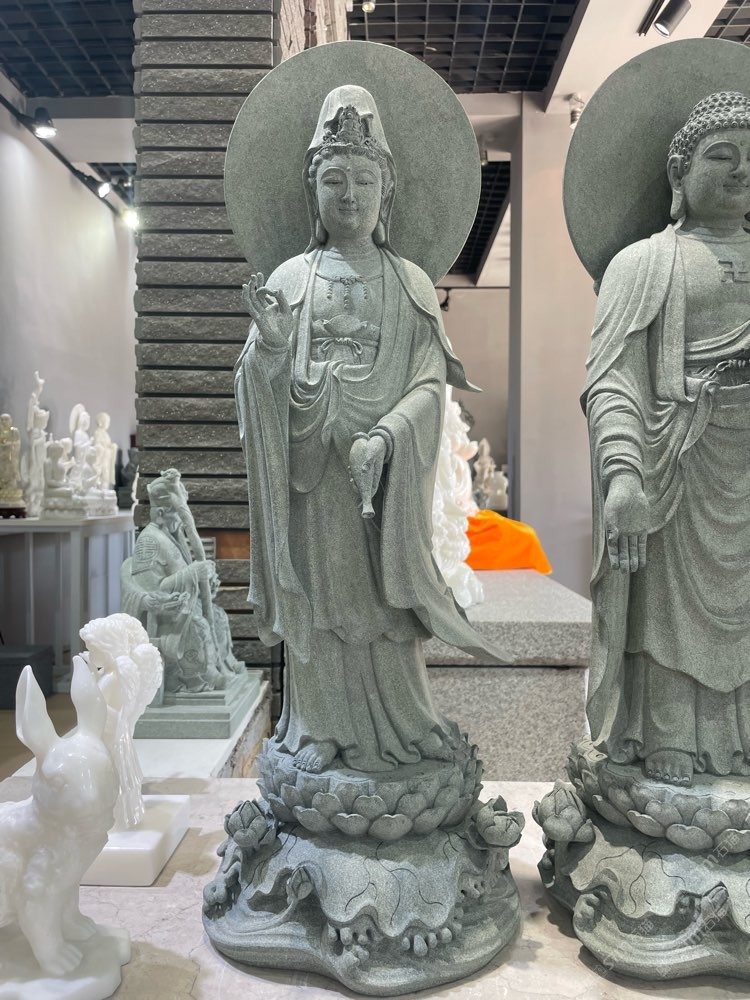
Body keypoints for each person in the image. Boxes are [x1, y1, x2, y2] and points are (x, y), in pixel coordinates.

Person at [235, 86, 502, 775]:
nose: (349, 194)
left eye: (363, 178)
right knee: (321, 606)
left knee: (387, 608)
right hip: (315, 478)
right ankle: (317, 727)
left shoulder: (409, 282)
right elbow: (256, 384)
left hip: (383, 483)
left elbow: (429, 386)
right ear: (311, 189)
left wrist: (385, 437)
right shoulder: (291, 278)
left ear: (388, 190)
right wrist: (271, 352)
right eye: (333, 179)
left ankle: (405, 724)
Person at [584, 92, 750, 786]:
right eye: (722, 156)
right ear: (679, 173)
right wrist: (624, 473)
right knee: (668, 613)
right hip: (676, 459)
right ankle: (667, 735)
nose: (741, 171)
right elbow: (612, 379)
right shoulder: (645, 263)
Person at [121, 468, 244, 693]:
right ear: (160, 513)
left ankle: (223, 661)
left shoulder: (172, 537)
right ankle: (199, 674)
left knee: (218, 616)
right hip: (168, 613)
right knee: (200, 625)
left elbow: (185, 577)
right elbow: (154, 588)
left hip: (186, 605)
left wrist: (205, 583)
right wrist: (192, 574)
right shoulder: (149, 541)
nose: (181, 521)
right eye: (177, 514)